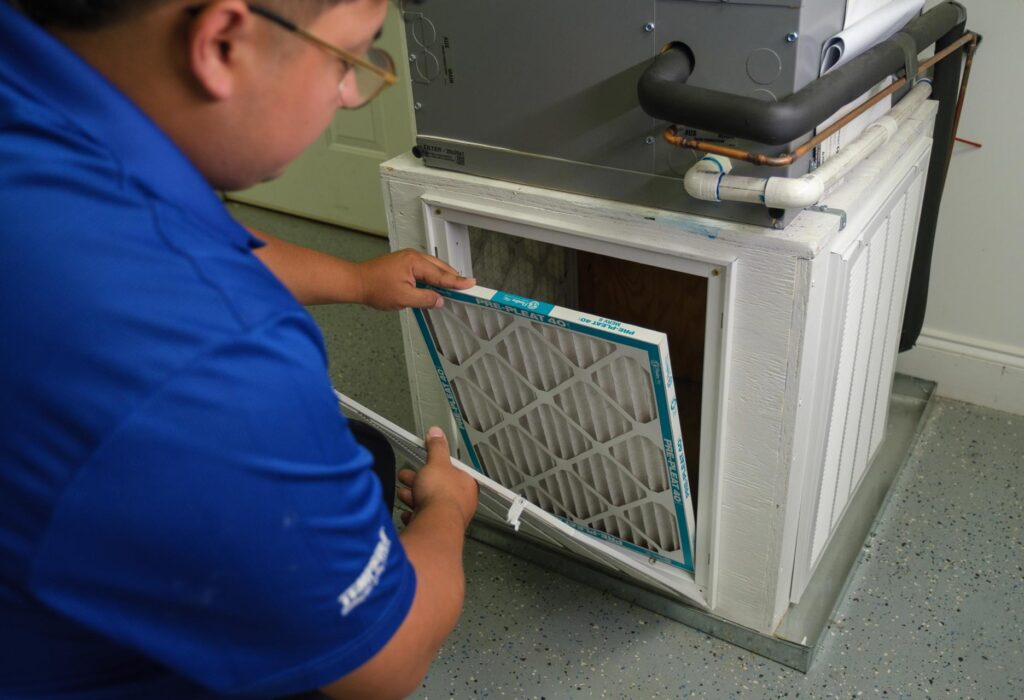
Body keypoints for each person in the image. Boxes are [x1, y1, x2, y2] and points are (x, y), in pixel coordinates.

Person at [0, 0, 480, 697]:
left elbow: (159, 237)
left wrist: (354, 278)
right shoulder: (218, 360)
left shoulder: (36, 86)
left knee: (361, 453)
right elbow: (385, 661)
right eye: (346, 60)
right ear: (222, 42)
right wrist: (447, 509)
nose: (350, 96)